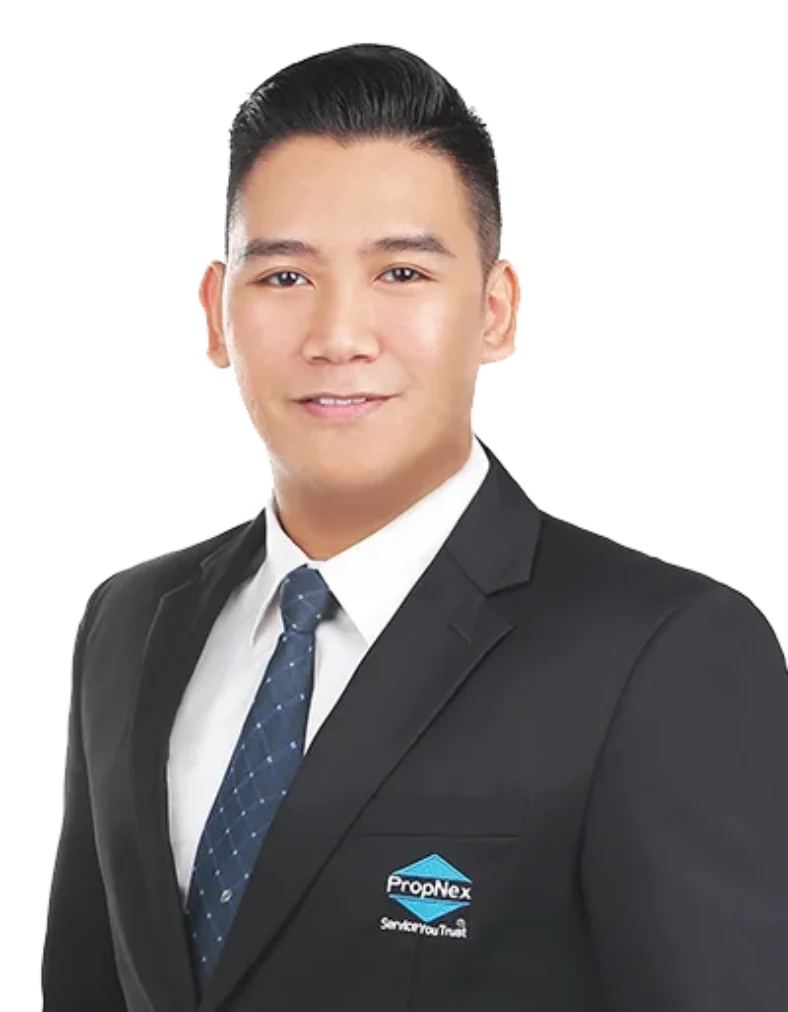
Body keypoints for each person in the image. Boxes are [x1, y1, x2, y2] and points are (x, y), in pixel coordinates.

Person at [42, 42, 787, 1012]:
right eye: (284, 277)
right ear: (216, 315)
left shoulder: (661, 651)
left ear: (496, 311)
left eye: (399, 271)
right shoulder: (129, 620)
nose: (339, 337)